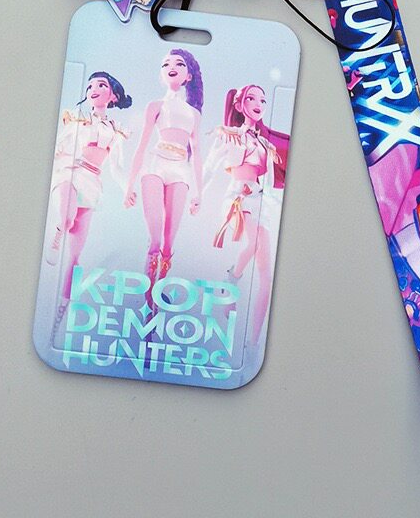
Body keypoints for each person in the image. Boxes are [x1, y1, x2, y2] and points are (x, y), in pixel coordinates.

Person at [48, 71, 131, 339]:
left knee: (75, 256)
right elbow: (58, 145)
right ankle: (57, 234)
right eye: (90, 85)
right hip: (70, 172)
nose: (93, 89)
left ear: (113, 96)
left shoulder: (115, 131)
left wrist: (127, 189)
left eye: (101, 85)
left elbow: (117, 167)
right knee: (66, 218)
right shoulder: (77, 119)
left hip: (92, 183)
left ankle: (62, 308)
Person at [204, 84, 289, 344]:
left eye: (262, 100)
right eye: (252, 99)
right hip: (240, 197)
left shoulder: (264, 143)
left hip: (261, 200)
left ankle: (253, 341)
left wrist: (272, 201)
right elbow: (210, 165)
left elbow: (270, 180)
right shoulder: (230, 135)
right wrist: (197, 194)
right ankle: (232, 278)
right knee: (251, 244)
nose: (258, 105)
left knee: (267, 276)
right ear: (240, 105)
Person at [125, 50, 203, 306]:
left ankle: (159, 287)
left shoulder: (194, 114)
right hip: (155, 164)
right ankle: (149, 293)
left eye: (179, 64)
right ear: (161, 74)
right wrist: (129, 186)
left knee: (169, 243)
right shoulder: (155, 106)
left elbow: (197, 155)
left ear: (188, 75)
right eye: (166, 64)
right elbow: (141, 146)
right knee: (155, 239)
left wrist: (198, 193)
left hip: (181, 169)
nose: (172, 67)